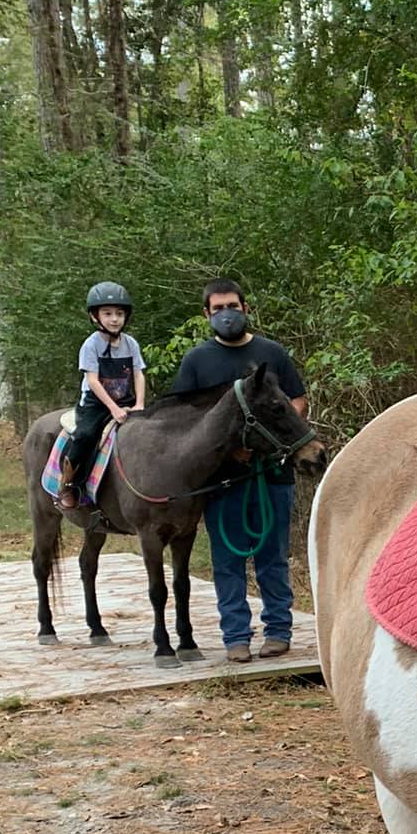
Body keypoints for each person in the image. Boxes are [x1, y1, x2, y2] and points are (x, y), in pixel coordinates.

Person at [170, 278, 309, 663]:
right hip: (223, 478)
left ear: (245, 308)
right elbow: (186, 418)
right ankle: (236, 636)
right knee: (227, 560)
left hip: (272, 473)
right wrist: (233, 448)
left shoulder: (272, 353)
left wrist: (271, 443)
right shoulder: (197, 361)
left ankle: (278, 630)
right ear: (206, 315)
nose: (226, 314)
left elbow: (296, 401)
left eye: (232, 306)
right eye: (217, 309)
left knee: (272, 555)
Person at [58, 281, 145, 511]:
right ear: (95, 316)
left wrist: (140, 404)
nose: (114, 319)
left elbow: (138, 374)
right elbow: (93, 381)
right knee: (85, 435)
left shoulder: (131, 344)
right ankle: (69, 484)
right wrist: (113, 409)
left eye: (119, 313)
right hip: (96, 404)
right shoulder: (91, 345)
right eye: (107, 313)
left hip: (126, 400)